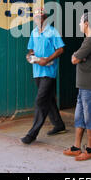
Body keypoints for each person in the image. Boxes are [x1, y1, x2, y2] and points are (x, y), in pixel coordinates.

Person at [21, 8, 66, 145]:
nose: (37, 20)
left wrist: (47, 60)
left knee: (40, 100)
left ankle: (32, 134)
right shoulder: (34, 32)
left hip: (49, 71)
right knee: (48, 99)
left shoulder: (52, 32)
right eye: (35, 18)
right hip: (37, 71)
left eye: (40, 17)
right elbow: (31, 50)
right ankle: (59, 125)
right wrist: (30, 56)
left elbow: (60, 49)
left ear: (45, 18)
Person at [63, 12, 91, 161]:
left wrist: (78, 57)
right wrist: (79, 56)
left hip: (90, 85)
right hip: (84, 85)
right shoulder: (89, 39)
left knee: (89, 116)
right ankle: (76, 147)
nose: (79, 25)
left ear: (86, 23)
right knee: (79, 116)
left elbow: (74, 59)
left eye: (80, 22)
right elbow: (77, 57)